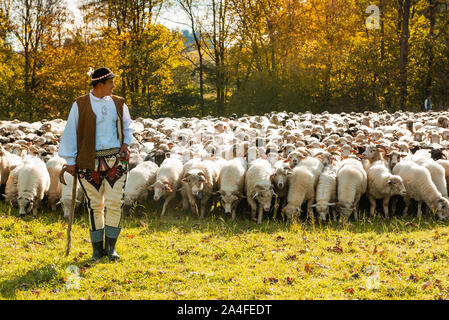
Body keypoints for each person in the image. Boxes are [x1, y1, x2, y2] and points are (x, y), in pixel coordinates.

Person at [58, 67, 134, 261]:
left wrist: (126, 144)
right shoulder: (80, 104)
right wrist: (70, 160)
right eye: (111, 83)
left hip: (115, 159)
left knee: (115, 202)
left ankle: (111, 248)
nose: (113, 86)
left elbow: (127, 126)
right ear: (100, 84)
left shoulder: (119, 103)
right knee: (95, 205)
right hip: (88, 161)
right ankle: (97, 250)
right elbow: (70, 132)